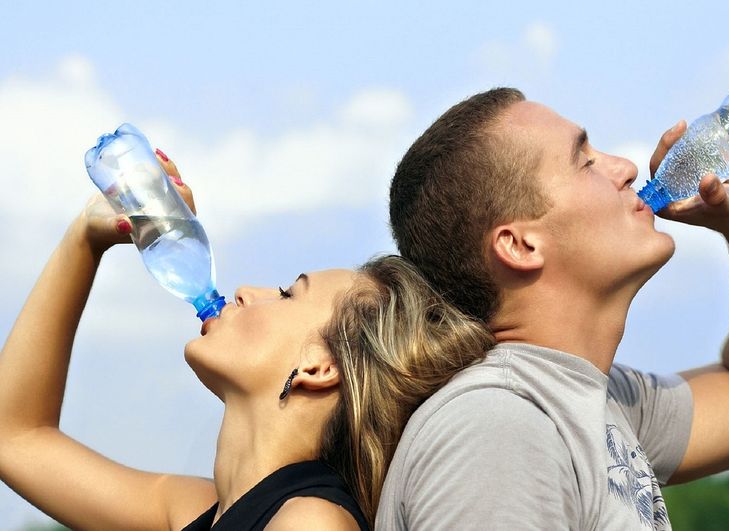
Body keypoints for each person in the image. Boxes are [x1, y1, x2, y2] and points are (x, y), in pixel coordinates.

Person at [377, 87, 729, 530]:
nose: (628, 168)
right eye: (586, 161)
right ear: (520, 245)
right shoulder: (498, 429)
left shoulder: (596, 401)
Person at [0, 153, 494, 530]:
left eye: (285, 294)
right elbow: (14, 437)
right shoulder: (199, 512)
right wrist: (86, 238)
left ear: (319, 366)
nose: (244, 291)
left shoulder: (311, 522)